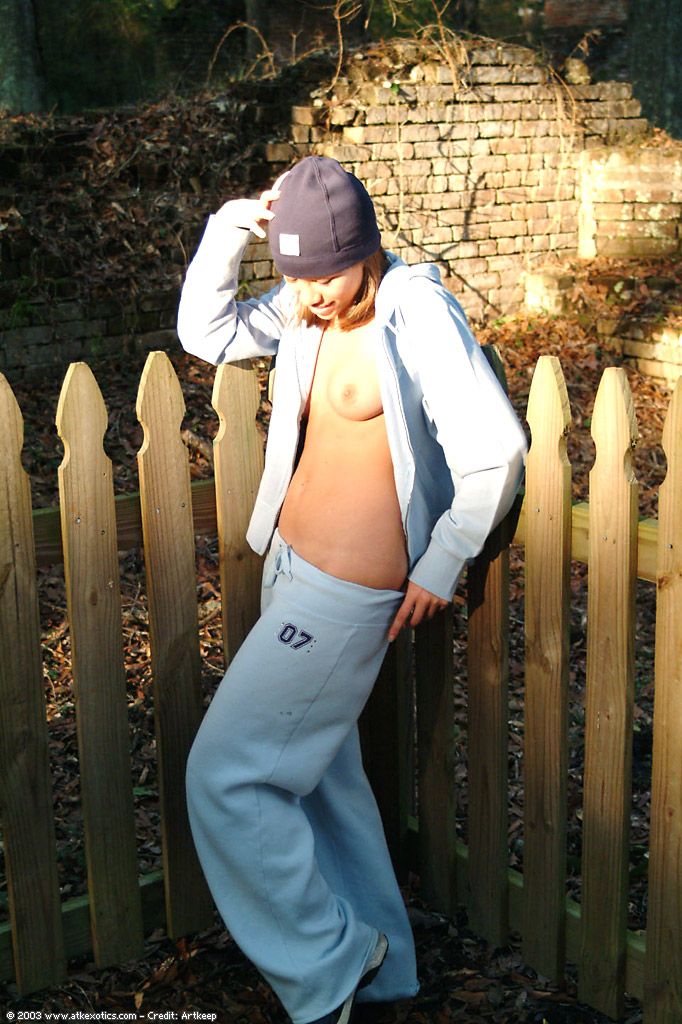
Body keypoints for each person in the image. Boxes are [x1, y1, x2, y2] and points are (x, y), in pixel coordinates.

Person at [177, 156, 527, 1024]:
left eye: (324, 275)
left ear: (364, 249)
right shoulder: (306, 305)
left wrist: (442, 560)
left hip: (344, 598)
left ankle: (331, 964)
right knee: (325, 789)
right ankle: (386, 977)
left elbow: (496, 450)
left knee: (225, 777)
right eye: (295, 278)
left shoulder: (416, 311)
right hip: (292, 570)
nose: (309, 297)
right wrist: (232, 227)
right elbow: (207, 334)